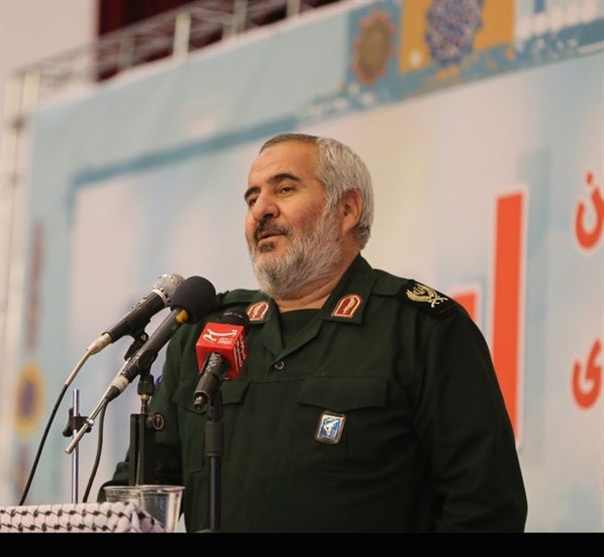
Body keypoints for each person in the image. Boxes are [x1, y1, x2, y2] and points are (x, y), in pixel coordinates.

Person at [101, 133, 528, 532]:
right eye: (252, 197)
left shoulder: (422, 328)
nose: (261, 209)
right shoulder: (205, 332)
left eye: (284, 189)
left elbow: (486, 507)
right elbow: (137, 496)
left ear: (347, 210)